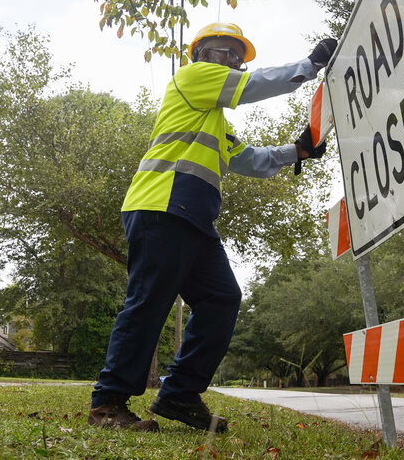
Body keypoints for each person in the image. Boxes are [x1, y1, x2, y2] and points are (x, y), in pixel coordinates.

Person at [88, 22, 336, 432]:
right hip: (161, 203)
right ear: (202, 53)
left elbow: (248, 159)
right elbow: (255, 85)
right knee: (149, 301)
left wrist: (297, 151)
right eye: (227, 53)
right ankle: (107, 404)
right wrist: (309, 66)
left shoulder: (213, 119)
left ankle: (180, 394)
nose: (235, 62)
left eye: (238, 56)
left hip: (193, 214)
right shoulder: (192, 77)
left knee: (222, 298)